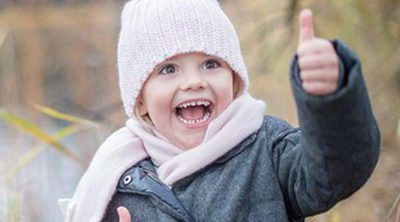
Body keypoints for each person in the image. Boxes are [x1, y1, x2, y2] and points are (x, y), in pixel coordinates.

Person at [59, 0, 380, 221]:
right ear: (140, 99)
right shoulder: (118, 179)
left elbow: (338, 171)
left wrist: (329, 98)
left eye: (211, 64)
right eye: (169, 70)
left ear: (235, 79)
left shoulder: (268, 148)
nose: (194, 81)